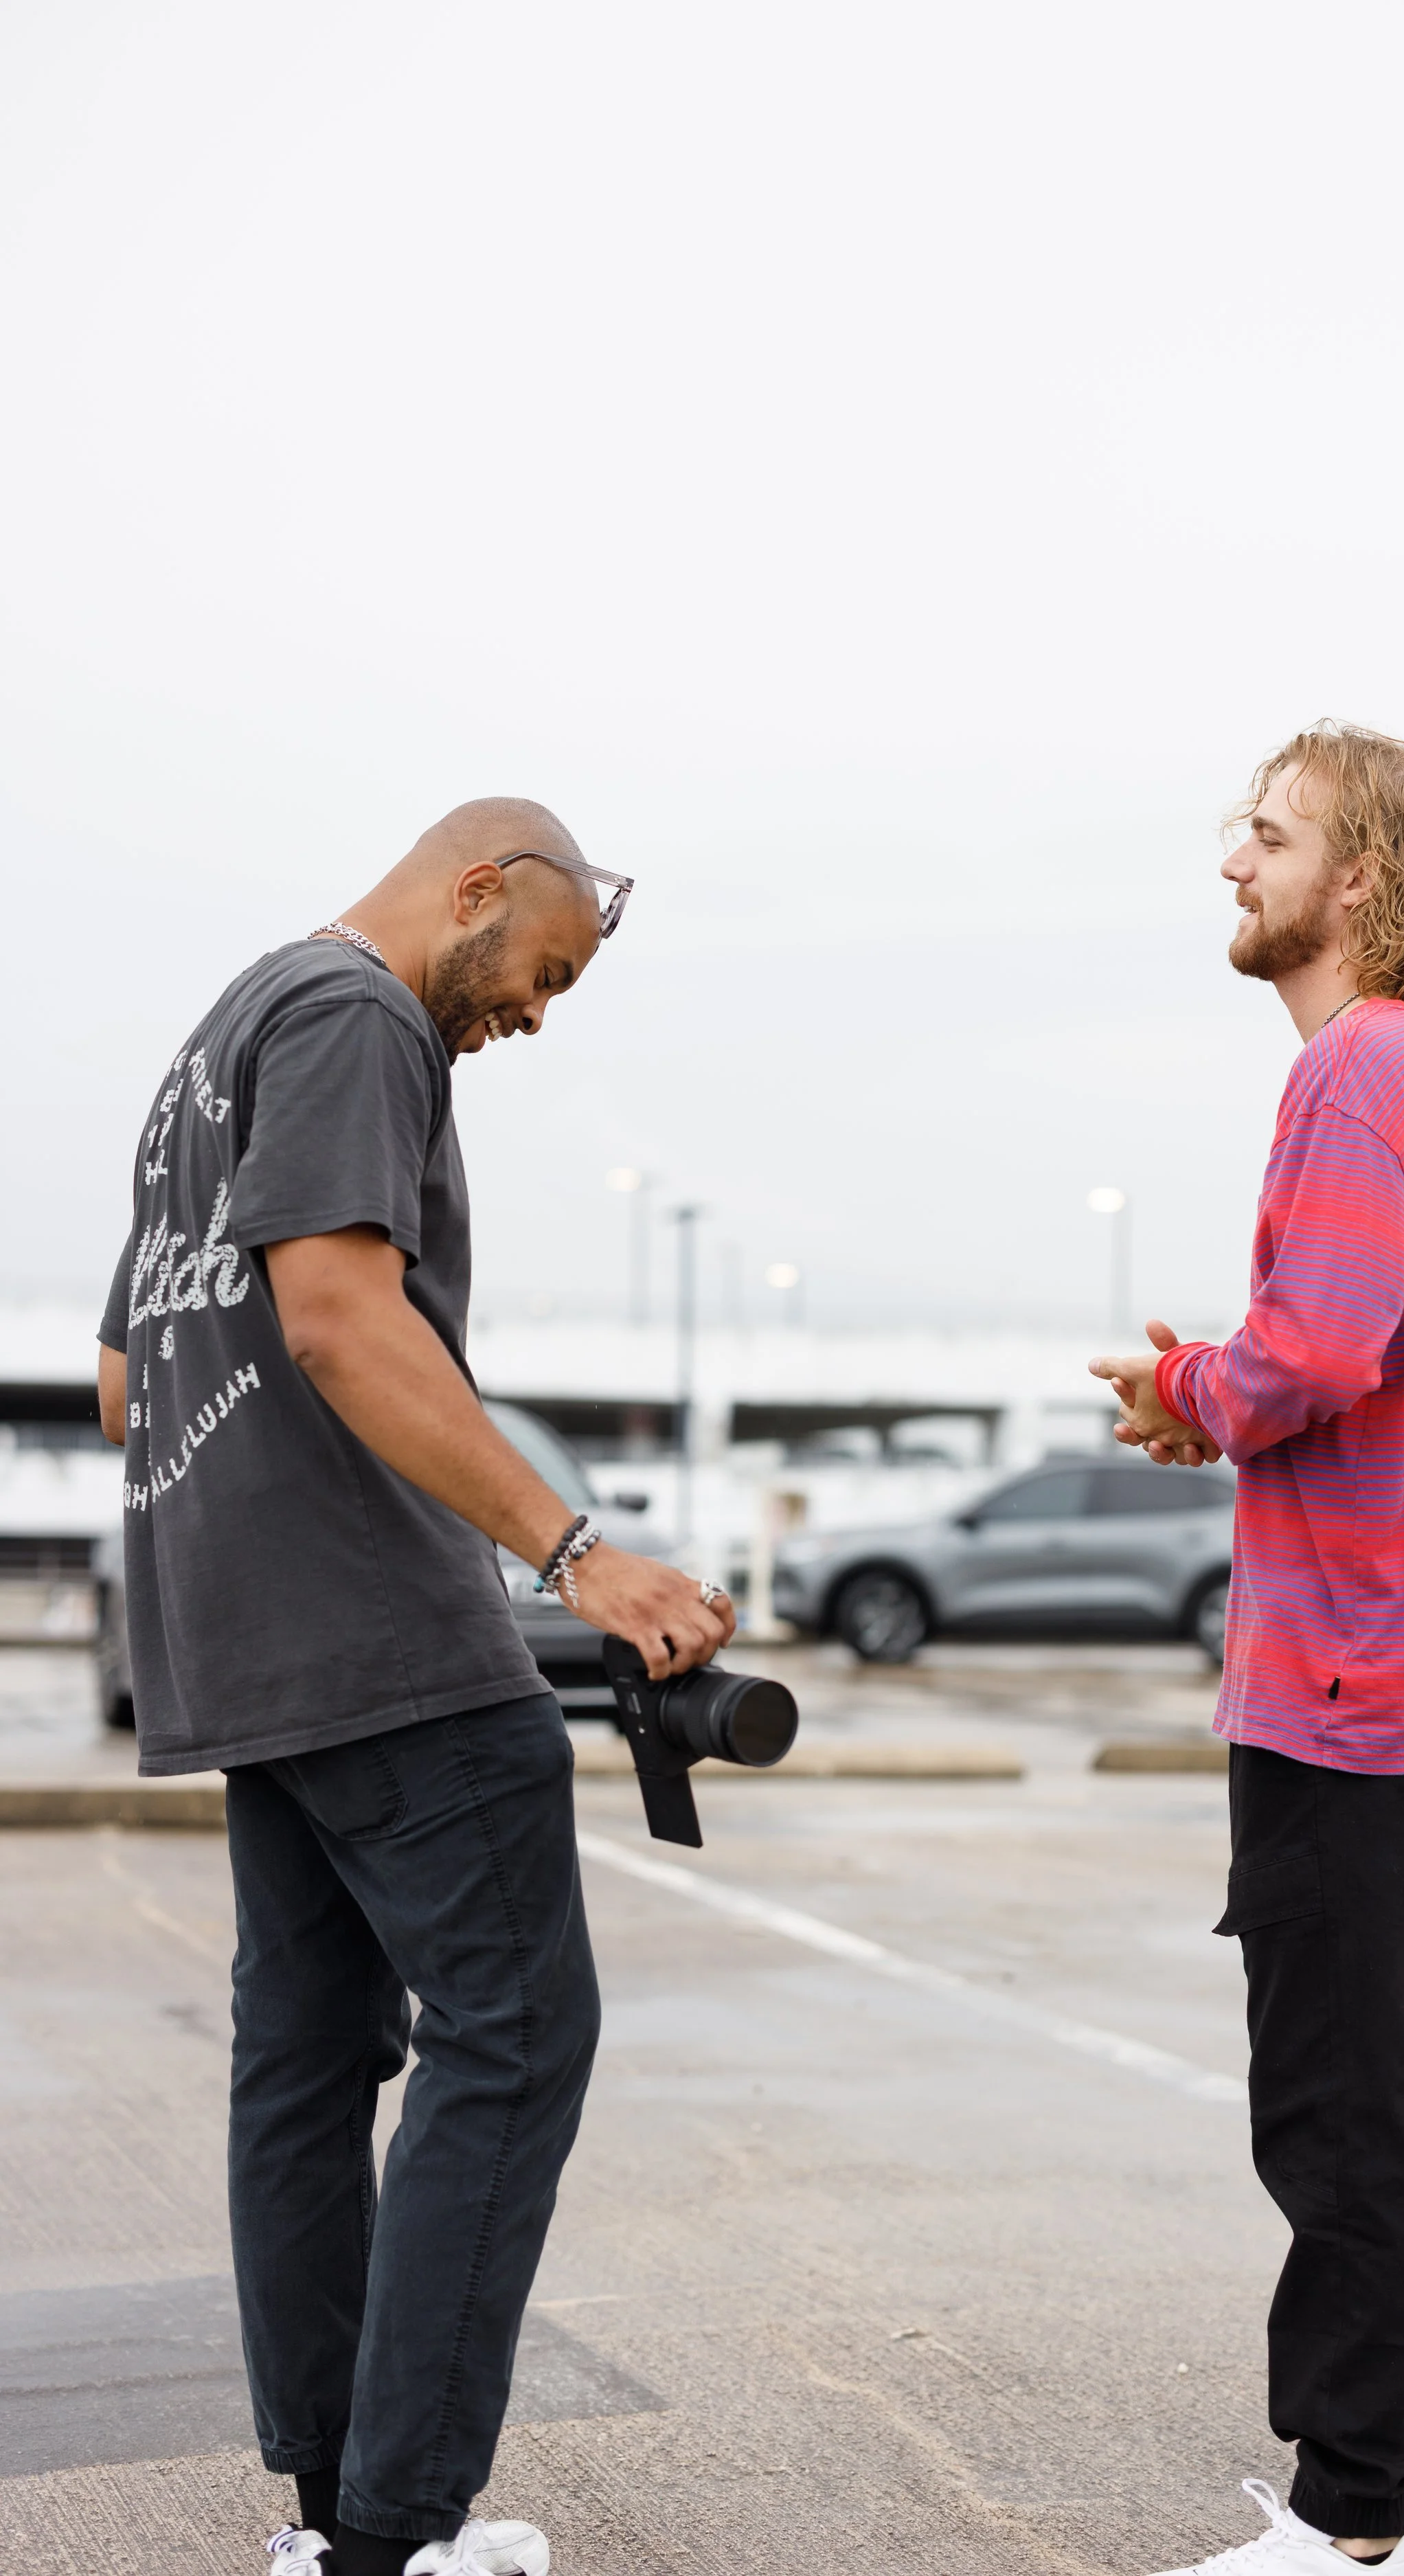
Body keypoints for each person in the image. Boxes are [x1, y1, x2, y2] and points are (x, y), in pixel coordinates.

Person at [97, 798, 734, 2576]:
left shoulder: (207, 1052)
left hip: (240, 1642)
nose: (520, 1022)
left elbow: (121, 1386)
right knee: (516, 2034)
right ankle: (399, 2532)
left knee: (303, 2061)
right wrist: (574, 1549)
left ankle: (332, 2515)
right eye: (531, 981)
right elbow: (334, 1312)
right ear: (477, 889)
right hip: (380, 1637)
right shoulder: (356, 1013)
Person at [1091, 725, 1404, 2575]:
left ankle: (1345, 2522)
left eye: (1267, 834)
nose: (1234, 862)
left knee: (1340, 2108)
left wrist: (1179, 1387)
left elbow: (1314, 1350)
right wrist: (1223, 1382)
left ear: (1359, 871)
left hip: (1350, 1687)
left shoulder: (1355, 1074)